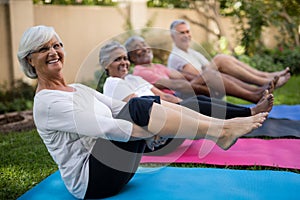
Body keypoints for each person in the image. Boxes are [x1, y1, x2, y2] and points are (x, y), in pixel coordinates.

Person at [17, 25, 267, 199]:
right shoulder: (47, 103)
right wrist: (149, 130)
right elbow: (108, 128)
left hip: (113, 165)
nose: (53, 52)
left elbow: (117, 108)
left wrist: (153, 117)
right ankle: (221, 130)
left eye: (57, 45)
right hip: (92, 182)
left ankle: (221, 129)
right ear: (30, 60)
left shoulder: (78, 88)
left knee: (142, 104)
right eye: (43, 48)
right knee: (139, 106)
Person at [101, 41, 273, 119]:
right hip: (155, 115)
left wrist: (182, 102)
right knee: (199, 98)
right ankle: (251, 108)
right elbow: (134, 109)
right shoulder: (113, 83)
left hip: (167, 104)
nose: (123, 62)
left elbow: (162, 93)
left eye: (124, 58)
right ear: (106, 64)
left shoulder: (134, 78)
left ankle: (251, 105)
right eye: (117, 59)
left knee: (200, 99)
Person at [124, 35, 277, 103]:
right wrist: (206, 88)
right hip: (175, 99)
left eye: (144, 44)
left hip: (183, 90)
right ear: (132, 56)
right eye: (138, 47)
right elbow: (175, 85)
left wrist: (205, 79)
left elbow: (182, 76)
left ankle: (255, 91)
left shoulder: (157, 66)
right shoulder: (140, 71)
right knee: (210, 76)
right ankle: (253, 95)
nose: (144, 48)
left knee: (210, 75)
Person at [167, 19, 291, 95]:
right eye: (181, 33)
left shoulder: (192, 52)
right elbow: (198, 76)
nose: (186, 35)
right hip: (198, 90)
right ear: (173, 36)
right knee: (220, 59)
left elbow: (207, 67)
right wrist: (217, 67)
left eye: (187, 31)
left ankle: (266, 77)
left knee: (222, 59)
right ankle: (265, 81)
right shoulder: (176, 57)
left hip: (210, 81)